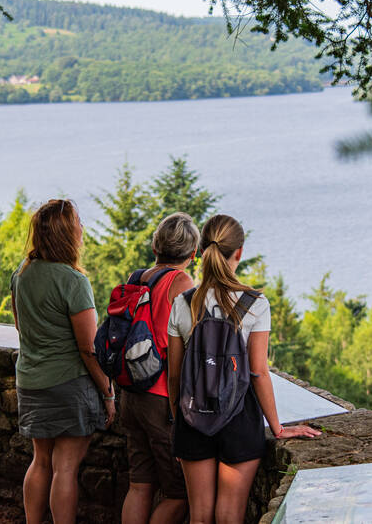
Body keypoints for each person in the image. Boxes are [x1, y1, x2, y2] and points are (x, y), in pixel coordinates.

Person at [167, 214, 321, 524]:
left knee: (199, 516)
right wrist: (277, 427)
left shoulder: (183, 303)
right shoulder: (254, 304)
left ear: (201, 250)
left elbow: (175, 374)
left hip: (192, 417)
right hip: (239, 418)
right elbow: (258, 372)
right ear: (239, 253)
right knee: (229, 515)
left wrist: (179, 417)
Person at [10, 199, 116, 524]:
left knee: (40, 461)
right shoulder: (73, 281)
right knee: (65, 468)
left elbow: (19, 326)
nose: (83, 229)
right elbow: (89, 348)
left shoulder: (21, 275)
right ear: (67, 234)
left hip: (30, 380)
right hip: (68, 383)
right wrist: (108, 392)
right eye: (78, 224)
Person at [120, 212, 199, 524]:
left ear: (156, 247)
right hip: (160, 398)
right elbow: (192, 343)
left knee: (139, 485)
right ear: (193, 255)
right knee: (179, 492)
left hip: (130, 394)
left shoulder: (136, 278)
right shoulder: (182, 283)